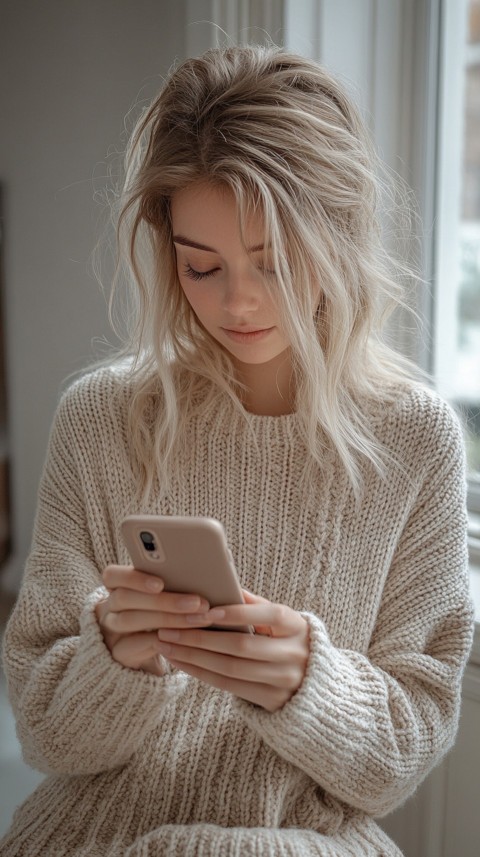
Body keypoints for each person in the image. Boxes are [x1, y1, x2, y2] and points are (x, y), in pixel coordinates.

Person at [0, 44, 475, 857]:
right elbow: (44, 733)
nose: (239, 300)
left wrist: (307, 682)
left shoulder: (416, 441)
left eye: (275, 260)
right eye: (201, 265)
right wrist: (117, 657)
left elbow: (401, 750)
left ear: (340, 235)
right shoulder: (103, 418)